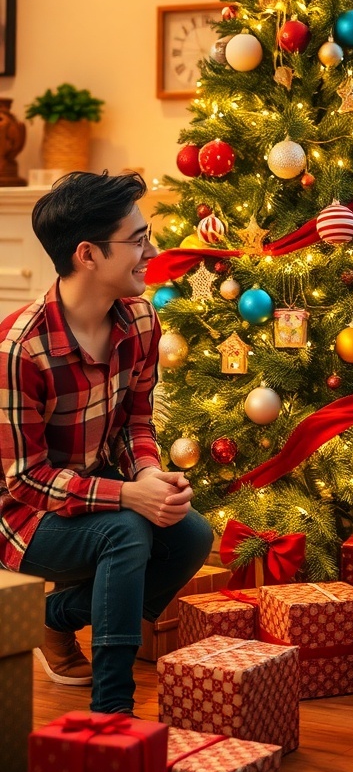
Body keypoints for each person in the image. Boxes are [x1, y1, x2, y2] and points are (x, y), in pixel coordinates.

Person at [0, 170, 213, 715]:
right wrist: (126, 497)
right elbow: (24, 478)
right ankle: (113, 711)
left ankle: (54, 618)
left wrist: (146, 476)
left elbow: (136, 422)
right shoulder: (20, 349)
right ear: (88, 254)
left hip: (93, 491)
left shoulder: (140, 318)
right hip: (20, 517)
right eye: (138, 240)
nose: (152, 250)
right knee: (125, 532)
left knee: (190, 535)